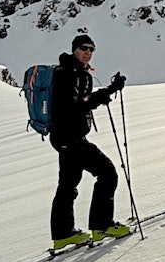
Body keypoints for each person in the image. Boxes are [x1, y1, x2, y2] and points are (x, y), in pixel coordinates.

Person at [49, 33, 131, 249]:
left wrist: (110, 90)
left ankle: (63, 234)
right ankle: (102, 225)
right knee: (107, 173)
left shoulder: (77, 73)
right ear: (75, 49)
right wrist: (98, 99)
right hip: (71, 138)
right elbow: (72, 106)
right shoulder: (66, 73)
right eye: (84, 48)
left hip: (65, 138)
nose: (88, 52)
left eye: (91, 49)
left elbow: (81, 100)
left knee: (67, 186)